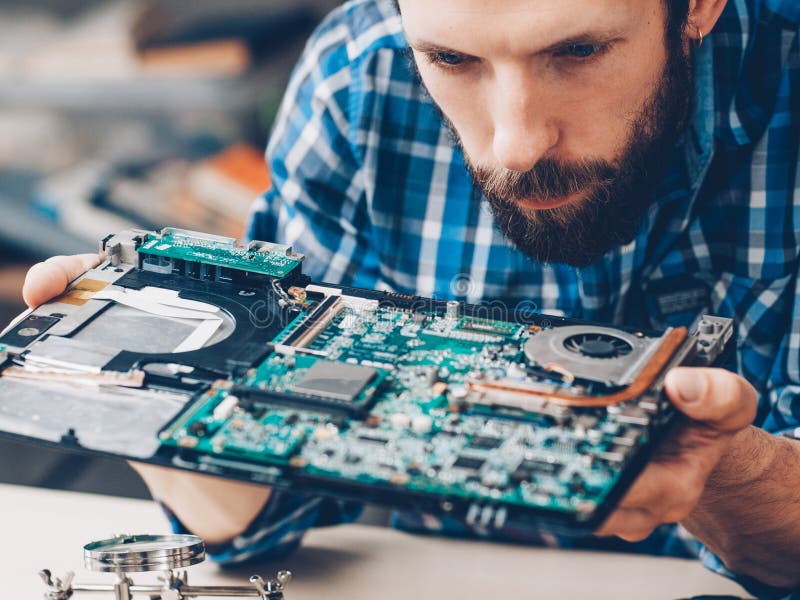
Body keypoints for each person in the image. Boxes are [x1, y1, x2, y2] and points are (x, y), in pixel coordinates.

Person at [21, 0, 800, 596]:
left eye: (579, 51)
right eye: (453, 58)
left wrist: (724, 470)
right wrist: (153, 392)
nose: (513, 144)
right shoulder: (355, 83)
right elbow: (267, 525)